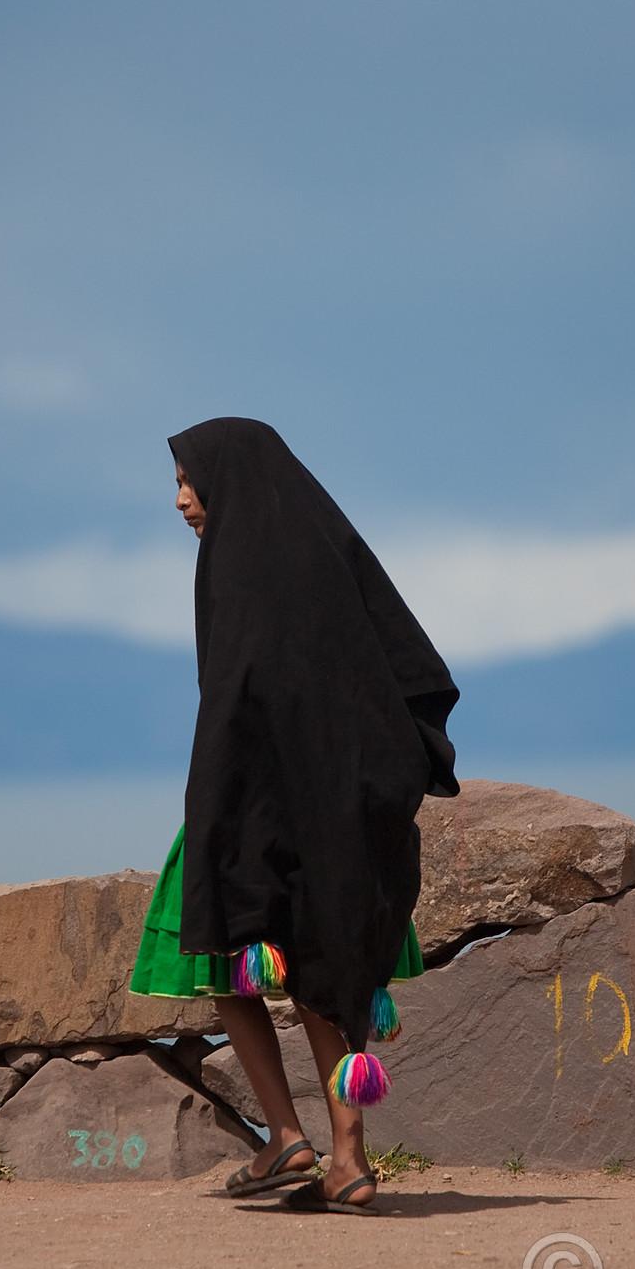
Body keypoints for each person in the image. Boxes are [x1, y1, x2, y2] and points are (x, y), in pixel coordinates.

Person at [128, 416, 462, 1216]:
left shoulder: (237, 564)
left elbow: (236, 705)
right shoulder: (327, 548)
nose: (179, 500)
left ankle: (286, 1135)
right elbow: (404, 668)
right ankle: (346, 1158)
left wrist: (219, 803)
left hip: (253, 802)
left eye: (187, 481)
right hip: (340, 808)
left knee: (219, 951)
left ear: (229, 481)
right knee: (321, 971)